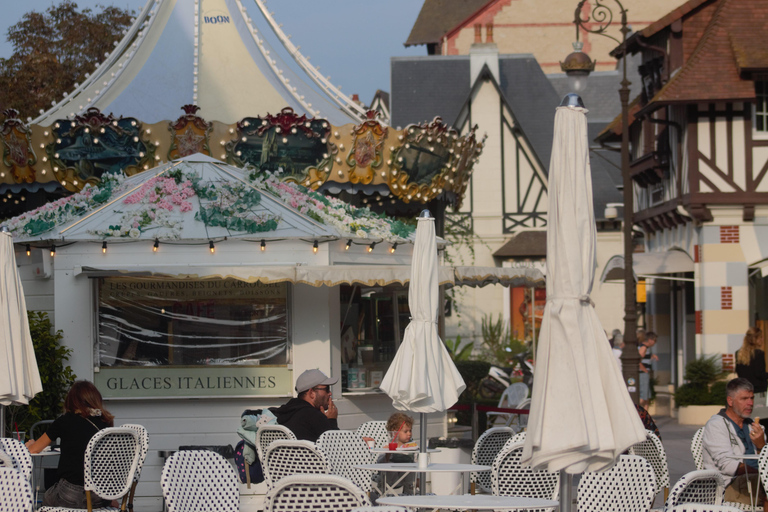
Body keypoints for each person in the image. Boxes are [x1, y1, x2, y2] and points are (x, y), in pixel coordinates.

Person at [26, 380, 114, 509]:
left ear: (71, 401)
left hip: (70, 494)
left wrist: (30, 444)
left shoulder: (64, 421)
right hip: (101, 495)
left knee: (46, 498)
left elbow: (34, 449)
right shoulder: (105, 423)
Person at [702, 378, 768, 510]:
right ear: (730, 401)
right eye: (744, 399)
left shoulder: (754, 426)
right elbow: (728, 465)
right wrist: (763, 474)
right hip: (728, 485)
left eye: (751, 398)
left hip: (756, 480)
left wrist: (761, 446)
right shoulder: (717, 425)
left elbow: (764, 460)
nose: (750, 403)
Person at [271, 369, 339, 442]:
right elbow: (337, 448)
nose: (330, 393)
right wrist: (332, 420)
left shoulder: (287, 412)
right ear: (311, 393)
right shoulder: (313, 416)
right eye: (327, 389)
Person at [373, 412, 416, 497]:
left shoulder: (411, 446)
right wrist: (387, 456)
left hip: (405, 477)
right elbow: (379, 463)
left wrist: (418, 478)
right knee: (390, 465)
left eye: (410, 430)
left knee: (411, 466)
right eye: (405, 431)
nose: (409, 434)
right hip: (388, 479)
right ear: (394, 432)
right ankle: (381, 493)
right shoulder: (388, 446)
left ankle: (409, 494)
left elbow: (417, 461)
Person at [736, 327, 767, 394]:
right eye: (760, 337)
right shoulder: (759, 353)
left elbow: (739, 372)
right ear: (755, 339)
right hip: (757, 390)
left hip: (743, 389)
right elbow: (759, 374)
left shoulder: (739, 353)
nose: (762, 339)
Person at [639, 331, 658, 408]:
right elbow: (638, 361)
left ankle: (645, 417)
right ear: (650, 340)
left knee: (646, 397)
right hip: (643, 374)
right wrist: (645, 370)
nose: (655, 343)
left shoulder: (646, 348)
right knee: (643, 397)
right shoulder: (643, 348)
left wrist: (652, 356)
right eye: (655, 340)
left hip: (645, 373)